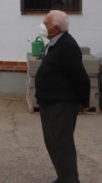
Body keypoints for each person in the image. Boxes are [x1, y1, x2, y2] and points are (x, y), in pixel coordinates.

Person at [35, 10, 90, 183]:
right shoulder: (53, 42)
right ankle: (63, 176)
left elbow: (80, 76)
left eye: (46, 24)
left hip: (61, 103)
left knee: (62, 145)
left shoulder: (68, 46)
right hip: (49, 102)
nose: (42, 26)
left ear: (57, 28)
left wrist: (84, 102)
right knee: (52, 143)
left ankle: (70, 180)